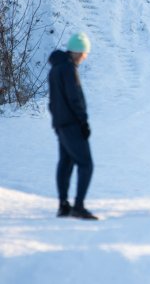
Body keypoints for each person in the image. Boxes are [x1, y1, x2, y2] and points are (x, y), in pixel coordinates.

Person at [47, 32, 97, 220]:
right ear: (78, 51)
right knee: (86, 164)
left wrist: (57, 121)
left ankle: (63, 205)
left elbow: (52, 101)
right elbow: (74, 96)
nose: (85, 57)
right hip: (72, 124)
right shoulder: (68, 69)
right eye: (84, 53)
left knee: (66, 163)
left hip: (60, 124)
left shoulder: (55, 69)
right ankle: (79, 206)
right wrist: (83, 121)